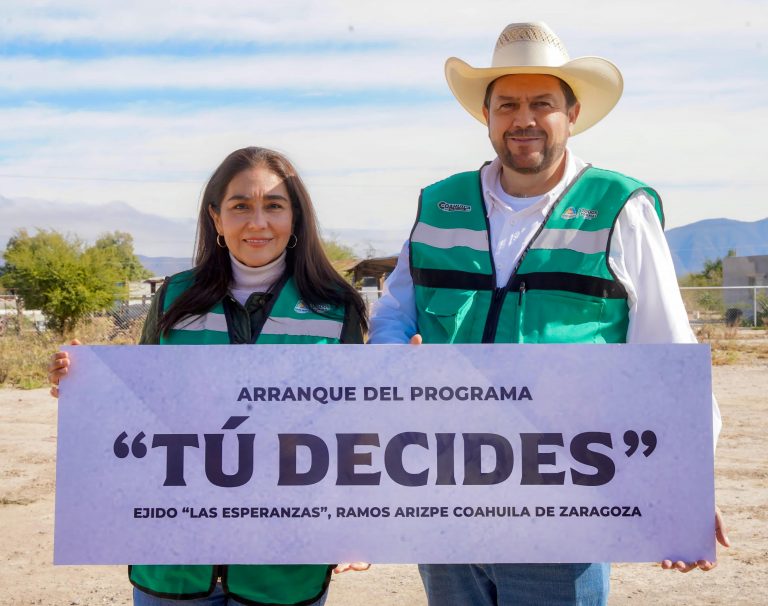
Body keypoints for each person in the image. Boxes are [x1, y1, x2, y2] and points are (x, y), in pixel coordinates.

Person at [369, 22, 729, 606]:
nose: (524, 120)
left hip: (562, 497)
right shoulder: (438, 205)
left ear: (572, 114)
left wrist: (685, 483)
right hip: (444, 489)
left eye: (542, 103)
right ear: (486, 116)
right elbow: (393, 314)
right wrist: (395, 361)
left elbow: (667, 350)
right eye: (508, 105)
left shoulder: (620, 206)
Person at [49, 146, 369, 606]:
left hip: (283, 561)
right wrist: (86, 384)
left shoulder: (335, 306)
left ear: (295, 217)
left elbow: (352, 425)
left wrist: (356, 526)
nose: (257, 222)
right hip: (174, 556)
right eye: (240, 206)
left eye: (274, 206)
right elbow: (142, 404)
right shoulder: (175, 297)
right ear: (216, 218)